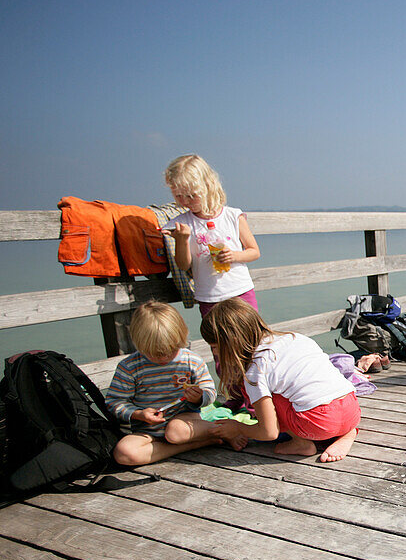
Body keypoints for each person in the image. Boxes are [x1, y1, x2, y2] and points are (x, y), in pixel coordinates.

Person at [200, 298, 361, 462]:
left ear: (230, 343)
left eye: (214, 347)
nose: (215, 353)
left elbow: (269, 432)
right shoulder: (293, 337)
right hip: (352, 409)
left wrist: (238, 428)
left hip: (320, 424)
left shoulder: (255, 369)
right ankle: (347, 432)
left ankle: (301, 443)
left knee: (267, 398)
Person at [106, 301, 222, 466]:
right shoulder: (130, 367)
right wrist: (138, 414)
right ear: (140, 344)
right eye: (156, 354)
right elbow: (114, 402)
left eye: (171, 350)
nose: (164, 358)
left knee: (175, 432)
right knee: (124, 453)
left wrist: (199, 397)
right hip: (147, 431)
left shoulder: (191, 361)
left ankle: (222, 430)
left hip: (185, 423)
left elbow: (210, 391)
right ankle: (198, 443)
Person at [161, 154, 261, 317]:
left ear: (208, 186)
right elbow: (183, 265)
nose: (185, 201)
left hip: (240, 290)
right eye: (178, 196)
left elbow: (254, 251)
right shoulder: (181, 224)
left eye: (191, 196)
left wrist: (234, 255)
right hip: (209, 296)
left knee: (251, 337)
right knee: (217, 340)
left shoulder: (233, 216)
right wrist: (181, 240)